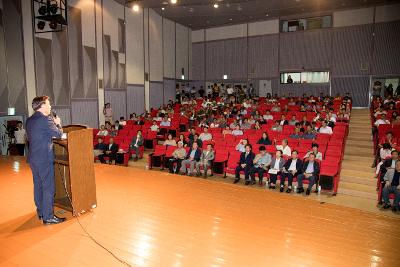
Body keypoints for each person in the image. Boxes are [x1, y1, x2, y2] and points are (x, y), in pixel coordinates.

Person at [26, 96, 65, 225]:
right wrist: (57, 123)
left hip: (33, 159)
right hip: (44, 158)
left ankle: (41, 212)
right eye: (48, 104)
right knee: (48, 187)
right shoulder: (46, 119)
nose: (50, 107)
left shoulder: (30, 120)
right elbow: (59, 134)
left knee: (38, 185)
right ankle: (48, 217)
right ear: (42, 106)